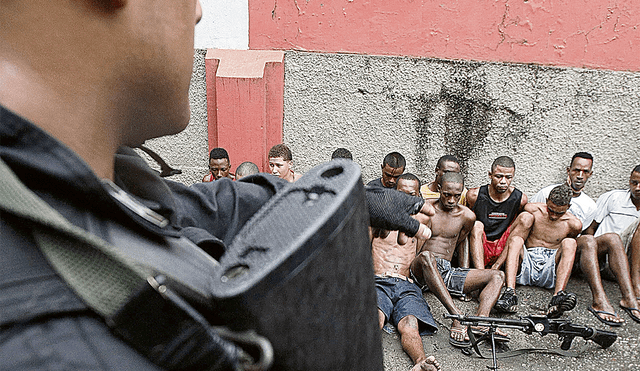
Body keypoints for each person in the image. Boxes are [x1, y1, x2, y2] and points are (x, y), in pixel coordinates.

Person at [0, 1, 435, 369]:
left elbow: (194, 209)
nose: (199, 14)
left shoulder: (56, 177)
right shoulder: (60, 348)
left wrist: (335, 203)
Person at [410, 172, 507, 348]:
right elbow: (414, 248)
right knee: (427, 256)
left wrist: (463, 269)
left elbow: (461, 241)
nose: (451, 200)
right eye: (447, 194)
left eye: (457, 195)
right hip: (422, 269)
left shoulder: (467, 216)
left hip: (446, 270)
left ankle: (481, 322)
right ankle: (457, 316)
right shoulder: (426, 211)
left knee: (498, 276)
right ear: (439, 189)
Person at [372, 174, 440, 371]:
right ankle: (357, 360)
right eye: (402, 194)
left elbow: (417, 251)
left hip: (405, 284)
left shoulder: (423, 221)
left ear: (419, 196)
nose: (406, 199)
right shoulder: (378, 219)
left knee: (410, 324)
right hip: (378, 281)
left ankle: (420, 362)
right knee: (375, 317)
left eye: (412, 195)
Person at [495, 184, 582, 318]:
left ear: (568, 207)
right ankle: (510, 293)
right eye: (551, 210)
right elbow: (514, 231)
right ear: (547, 201)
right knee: (517, 240)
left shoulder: (573, 224)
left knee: (570, 243)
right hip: (527, 260)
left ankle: (557, 296)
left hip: (550, 265)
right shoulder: (533, 209)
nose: (553, 216)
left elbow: (566, 253)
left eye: (559, 213)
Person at [575, 165, 640, 325]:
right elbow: (590, 230)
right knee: (613, 238)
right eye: (634, 182)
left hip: (629, 263)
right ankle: (629, 295)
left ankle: (634, 292)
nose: (638, 188)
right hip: (602, 258)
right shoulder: (613, 197)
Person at [466, 156, 528, 269]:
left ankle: (496, 267)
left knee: (526, 217)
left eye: (508, 177)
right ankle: (481, 274)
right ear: (490, 175)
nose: (503, 181)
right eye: (499, 176)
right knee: (476, 225)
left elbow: (516, 228)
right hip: (480, 244)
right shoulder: (474, 195)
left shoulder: (520, 199)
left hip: (503, 245)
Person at [530, 152, 596, 232]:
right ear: (568, 170)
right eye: (576, 170)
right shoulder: (546, 192)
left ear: (590, 174)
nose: (580, 176)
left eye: (585, 172)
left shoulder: (590, 206)